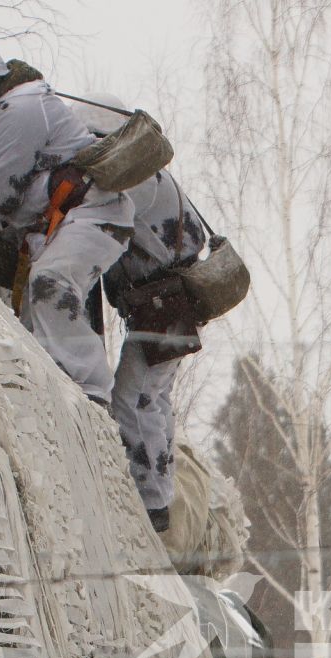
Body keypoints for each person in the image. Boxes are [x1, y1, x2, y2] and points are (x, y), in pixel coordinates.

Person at [0, 34, 131, 405]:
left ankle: (92, 397)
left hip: (92, 213)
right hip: (57, 226)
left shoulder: (20, 108)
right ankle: (59, 398)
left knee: (50, 283)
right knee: (32, 324)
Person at [73, 94, 209, 536]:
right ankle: (159, 495)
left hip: (164, 303)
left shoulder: (133, 179)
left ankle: (151, 506)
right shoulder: (152, 174)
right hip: (171, 302)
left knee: (133, 398)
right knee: (153, 396)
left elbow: (101, 227)